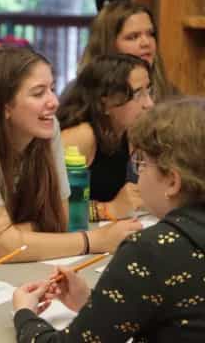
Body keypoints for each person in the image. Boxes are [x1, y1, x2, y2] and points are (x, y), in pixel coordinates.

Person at [13, 96, 205, 342]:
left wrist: (25, 313)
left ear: (172, 181)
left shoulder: (152, 250)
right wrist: (97, 304)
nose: (138, 173)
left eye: (142, 163)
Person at [0, 46, 141, 262]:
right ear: (5, 106)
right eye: (39, 93)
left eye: (52, 89)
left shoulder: (48, 129)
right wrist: (94, 241)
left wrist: (12, 233)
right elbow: (4, 246)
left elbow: (61, 219)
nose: (54, 102)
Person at [57, 54, 153, 220]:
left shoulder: (127, 131)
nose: (149, 104)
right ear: (104, 102)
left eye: (149, 91)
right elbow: (52, 212)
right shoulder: (80, 136)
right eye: (137, 94)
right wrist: (109, 209)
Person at [62, 0, 176, 103]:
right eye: (133, 37)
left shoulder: (170, 93)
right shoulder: (78, 94)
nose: (146, 43)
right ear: (108, 44)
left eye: (150, 34)